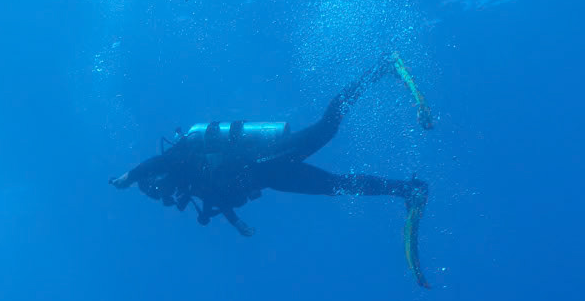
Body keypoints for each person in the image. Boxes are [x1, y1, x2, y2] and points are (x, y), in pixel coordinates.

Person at [109, 52, 434, 283]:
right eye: (154, 193)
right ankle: (407, 189)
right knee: (336, 186)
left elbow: (160, 163)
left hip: (263, 159)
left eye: (153, 185)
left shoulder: (177, 161)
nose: (158, 192)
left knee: (326, 128)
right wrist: (236, 223)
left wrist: (130, 175)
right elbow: (217, 197)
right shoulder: (190, 183)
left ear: (156, 176)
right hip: (270, 175)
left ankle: (381, 67)